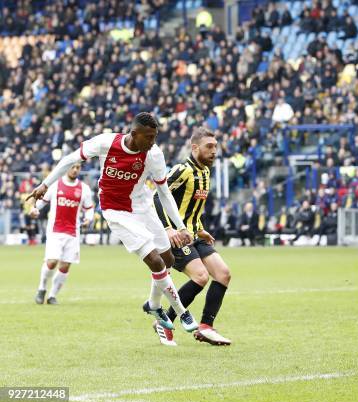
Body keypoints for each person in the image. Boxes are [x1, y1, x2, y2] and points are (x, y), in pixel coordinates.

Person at [27, 112, 198, 333]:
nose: (152, 142)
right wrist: (45, 185)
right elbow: (71, 159)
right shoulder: (106, 142)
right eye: (148, 137)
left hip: (142, 205)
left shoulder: (154, 154)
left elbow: (163, 193)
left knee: (168, 259)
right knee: (155, 261)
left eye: (155, 137)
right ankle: (182, 312)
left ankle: (153, 305)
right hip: (116, 211)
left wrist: (181, 226)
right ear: (134, 134)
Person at [153, 127, 232, 346]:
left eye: (215, 146)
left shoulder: (206, 172)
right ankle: (165, 320)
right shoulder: (182, 170)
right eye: (209, 147)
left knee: (223, 274)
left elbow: (191, 209)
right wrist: (168, 229)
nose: (214, 151)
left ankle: (206, 327)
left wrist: (199, 229)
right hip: (177, 237)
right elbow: (157, 198)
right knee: (200, 277)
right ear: (195, 147)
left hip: (193, 234)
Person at [30, 163, 94, 305]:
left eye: (78, 167)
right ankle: (41, 288)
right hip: (55, 231)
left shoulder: (84, 189)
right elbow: (42, 202)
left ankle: (52, 296)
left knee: (65, 266)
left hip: (73, 232)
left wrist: (88, 219)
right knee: (52, 262)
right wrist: (35, 209)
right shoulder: (55, 185)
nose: (75, 170)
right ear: (67, 168)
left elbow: (89, 208)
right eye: (73, 167)